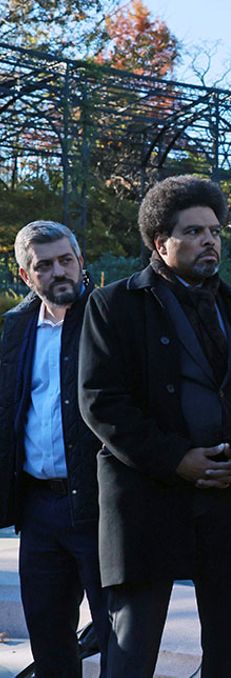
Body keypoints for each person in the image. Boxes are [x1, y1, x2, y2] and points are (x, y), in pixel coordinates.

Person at [78, 174, 231, 677]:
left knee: (228, 650)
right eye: (195, 231)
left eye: (215, 230)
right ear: (161, 242)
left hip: (225, 495)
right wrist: (177, 458)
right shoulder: (114, 304)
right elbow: (101, 402)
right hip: (145, 498)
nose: (210, 240)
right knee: (131, 649)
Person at [0, 221, 108, 675]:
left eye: (66, 260)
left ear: (81, 262)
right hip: (39, 509)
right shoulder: (14, 329)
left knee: (120, 638)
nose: (59, 271)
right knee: (49, 640)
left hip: (103, 507)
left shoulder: (109, 318)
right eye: (44, 265)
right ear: (26, 276)